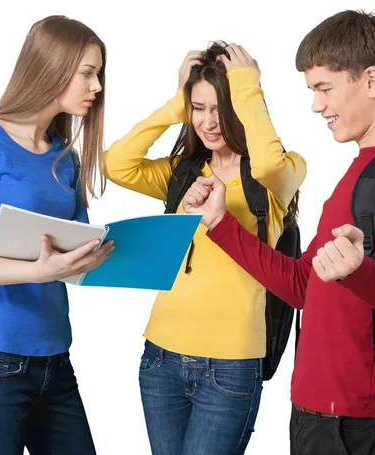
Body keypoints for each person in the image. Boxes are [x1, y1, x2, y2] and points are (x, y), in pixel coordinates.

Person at [182, 11, 375, 455]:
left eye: (324, 89)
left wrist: (360, 273)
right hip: (313, 415)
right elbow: (301, 286)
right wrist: (219, 224)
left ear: (371, 81)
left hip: (360, 426)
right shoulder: (357, 172)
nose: (317, 106)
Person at [105, 41, 306, 454]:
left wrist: (248, 85)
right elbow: (116, 163)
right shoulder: (182, 175)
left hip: (230, 366)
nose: (209, 122)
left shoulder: (277, 175)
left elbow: (268, 162)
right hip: (160, 358)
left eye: (222, 108)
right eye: (199, 108)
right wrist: (175, 105)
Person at [0, 15, 113, 455]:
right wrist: (38, 271)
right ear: (53, 66)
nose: (96, 87)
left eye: (99, 75)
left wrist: (104, 254)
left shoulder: (64, 157)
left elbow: (78, 244)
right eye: (88, 74)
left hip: (54, 362)